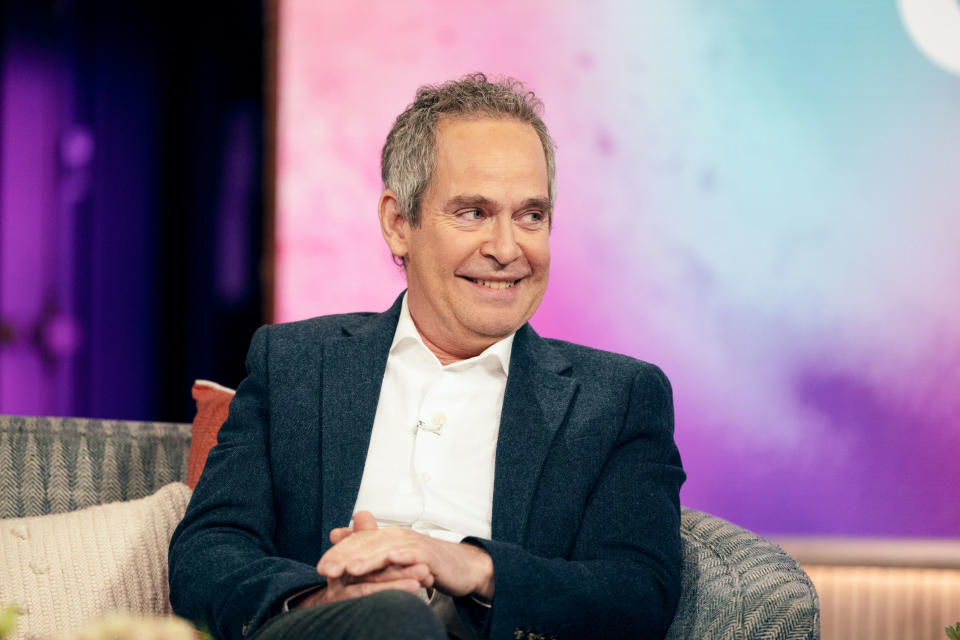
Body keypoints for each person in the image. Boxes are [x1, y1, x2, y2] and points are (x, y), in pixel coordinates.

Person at [168, 73, 685, 640]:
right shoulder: (295, 362)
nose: (508, 249)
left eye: (531, 216)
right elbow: (209, 550)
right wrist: (324, 597)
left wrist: (468, 565)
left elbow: (638, 592)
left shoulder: (618, 397)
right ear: (398, 224)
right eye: (473, 213)